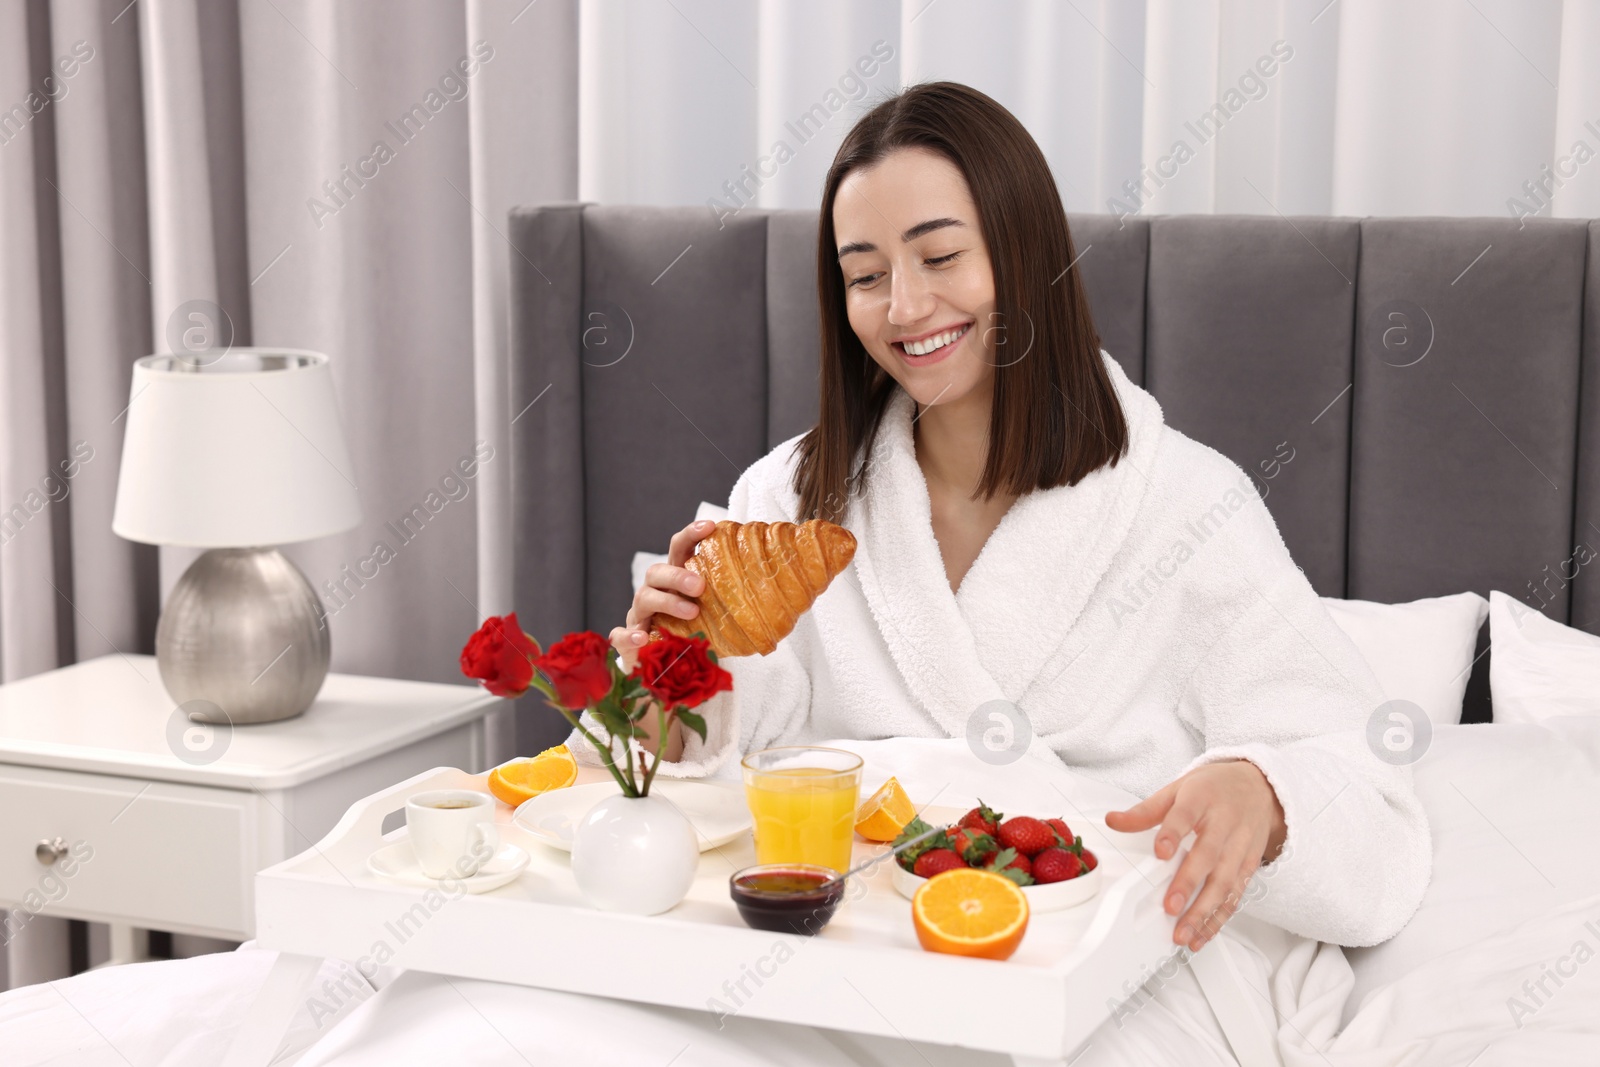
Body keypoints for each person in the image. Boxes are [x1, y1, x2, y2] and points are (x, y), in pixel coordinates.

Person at [614, 80, 1428, 977]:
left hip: (1113, 956)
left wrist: (1266, 795)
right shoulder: (790, 498)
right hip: (845, 942)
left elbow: (1371, 802)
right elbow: (729, 752)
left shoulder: (1190, 506)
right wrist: (668, 687)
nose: (905, 308)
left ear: (1024, 251)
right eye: (866, 276)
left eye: (940, 257)